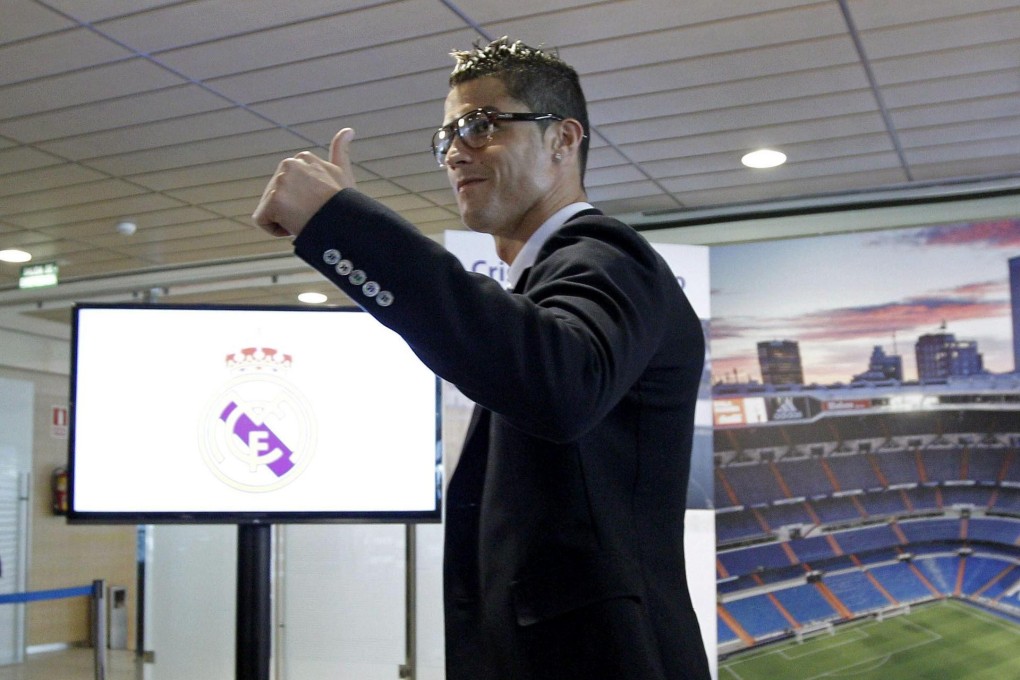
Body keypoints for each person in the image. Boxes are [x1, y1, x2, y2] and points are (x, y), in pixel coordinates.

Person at [254, 37, 710, 680]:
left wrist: (342, 224)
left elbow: (559, 384)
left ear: (562, 139)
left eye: (481, 125)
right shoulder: (540, 288)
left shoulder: (605, 255)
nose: (455, 152)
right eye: (445, 138)